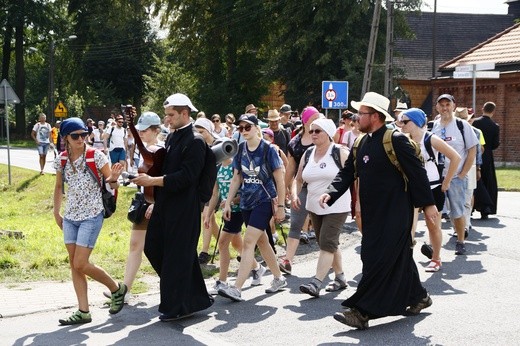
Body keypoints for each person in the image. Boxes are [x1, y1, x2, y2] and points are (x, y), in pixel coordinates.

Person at [319, 92, 438, 330]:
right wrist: (331, 192)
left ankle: (361, 312)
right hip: (374, 214)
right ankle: (418, 296)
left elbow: (417, 173)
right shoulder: (361, 142)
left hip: (396, 213)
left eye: (360, 114)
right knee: (397, 258)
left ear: (374, 116)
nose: (355, 118)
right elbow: (347, 172)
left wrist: (429, 204)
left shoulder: (395, 140)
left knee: (378, 260)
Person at [131, 93, 214, 321]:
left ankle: (175, 307)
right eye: (166, 115)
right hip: (166, 203)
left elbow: (186, 177)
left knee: (178, 256)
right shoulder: (173, 138)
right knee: (155, 248)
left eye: (170, 115)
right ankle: (194, 297)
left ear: (184, 114)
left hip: (185, 208)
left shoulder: (195, 141)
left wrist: (152, 181)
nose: (166, 120)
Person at [53, 117, 126, 325]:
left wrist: (114, 178)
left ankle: (116, 288)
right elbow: (59, 188)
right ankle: (83, 311)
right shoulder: (62, 159)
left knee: (81, 262)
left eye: (84, 135)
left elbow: (113, 184)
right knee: (74, 265)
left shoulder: (97, 156)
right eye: (75, 136)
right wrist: (56, 213)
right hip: (70, 217)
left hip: (92, 214)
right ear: (66, 137)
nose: (81, 139)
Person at [217, 114, 287, 301]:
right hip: (246, 202)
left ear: (257, 128)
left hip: (264, 201)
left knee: (249, 242)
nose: (244, 131)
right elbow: (236, 178)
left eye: (248, 127)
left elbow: (280, 179)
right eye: (241, 128)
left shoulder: (268, 150)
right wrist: (229, 202)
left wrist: (280, 206)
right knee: (262, 241)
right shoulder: (240, 150)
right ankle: (279, 278)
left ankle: (237, 288)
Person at [108, 112, 164, 303]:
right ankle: (125, 290)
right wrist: (124, 176)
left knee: (160, 248)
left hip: (158, 204)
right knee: (135, 245)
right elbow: (142, 176)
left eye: (145, 130)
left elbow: (166, 181)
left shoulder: (162, 150)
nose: (140, 133)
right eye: (139, 130)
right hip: (144, 201)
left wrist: (157, 204)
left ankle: (175, 286)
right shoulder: (142, 149)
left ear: (156, 130)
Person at [398, 108, 461, 272]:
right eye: (401, 121)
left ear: (416, 122)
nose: (401, 125)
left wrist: (446, 182)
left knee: (433, 225)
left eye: (405, 121)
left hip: (432, 187)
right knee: (408, 226)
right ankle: (406, 260)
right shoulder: (402, 140)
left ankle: (436, 258)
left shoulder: (430, 139)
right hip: (410, 187)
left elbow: (455, 157)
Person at [295, 118, 350, 297]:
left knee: (326, 242)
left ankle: (316, 282)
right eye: (311, 131)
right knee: (327, 242)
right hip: (313, 206)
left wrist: (359, 204)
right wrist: (295, 195)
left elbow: (354, 177)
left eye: (318, 131)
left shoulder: (340, 152)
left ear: (328, 133)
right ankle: (340, 276)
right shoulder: (308, 153)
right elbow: (298, 178)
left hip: (337, 205)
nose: (313, 134)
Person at [432, 94, 479, 255]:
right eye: (441, 105)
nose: (445, 108)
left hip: (456, 177)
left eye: (448, 104)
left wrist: (463, 173)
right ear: (437, 107)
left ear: (453, 106)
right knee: (435, 211)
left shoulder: (461, 125)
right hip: (437, 177)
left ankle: (460, 241)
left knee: (457, 211)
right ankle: (434, 244)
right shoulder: (434, 126)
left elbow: (472, 150)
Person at [278, 106, 321, 275]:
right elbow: (290, 170)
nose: (318, 121)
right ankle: (287, 261)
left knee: (323, 229)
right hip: (302, 187)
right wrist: (281, 193)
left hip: (321, 188)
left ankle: (332, 260)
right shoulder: (294, 143)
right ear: (305, 121)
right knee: (295, 223)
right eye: (314, 118)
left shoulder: (323, 137)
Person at [472, 101, 500, 219]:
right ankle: (486, 208)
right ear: (493, 111)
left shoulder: (475, 123)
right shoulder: (495, 126)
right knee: (488, 181)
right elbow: (495, 144)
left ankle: (471, 207)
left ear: (482, 108)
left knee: (473, 182)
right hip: (487, 156)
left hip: (473, 154)